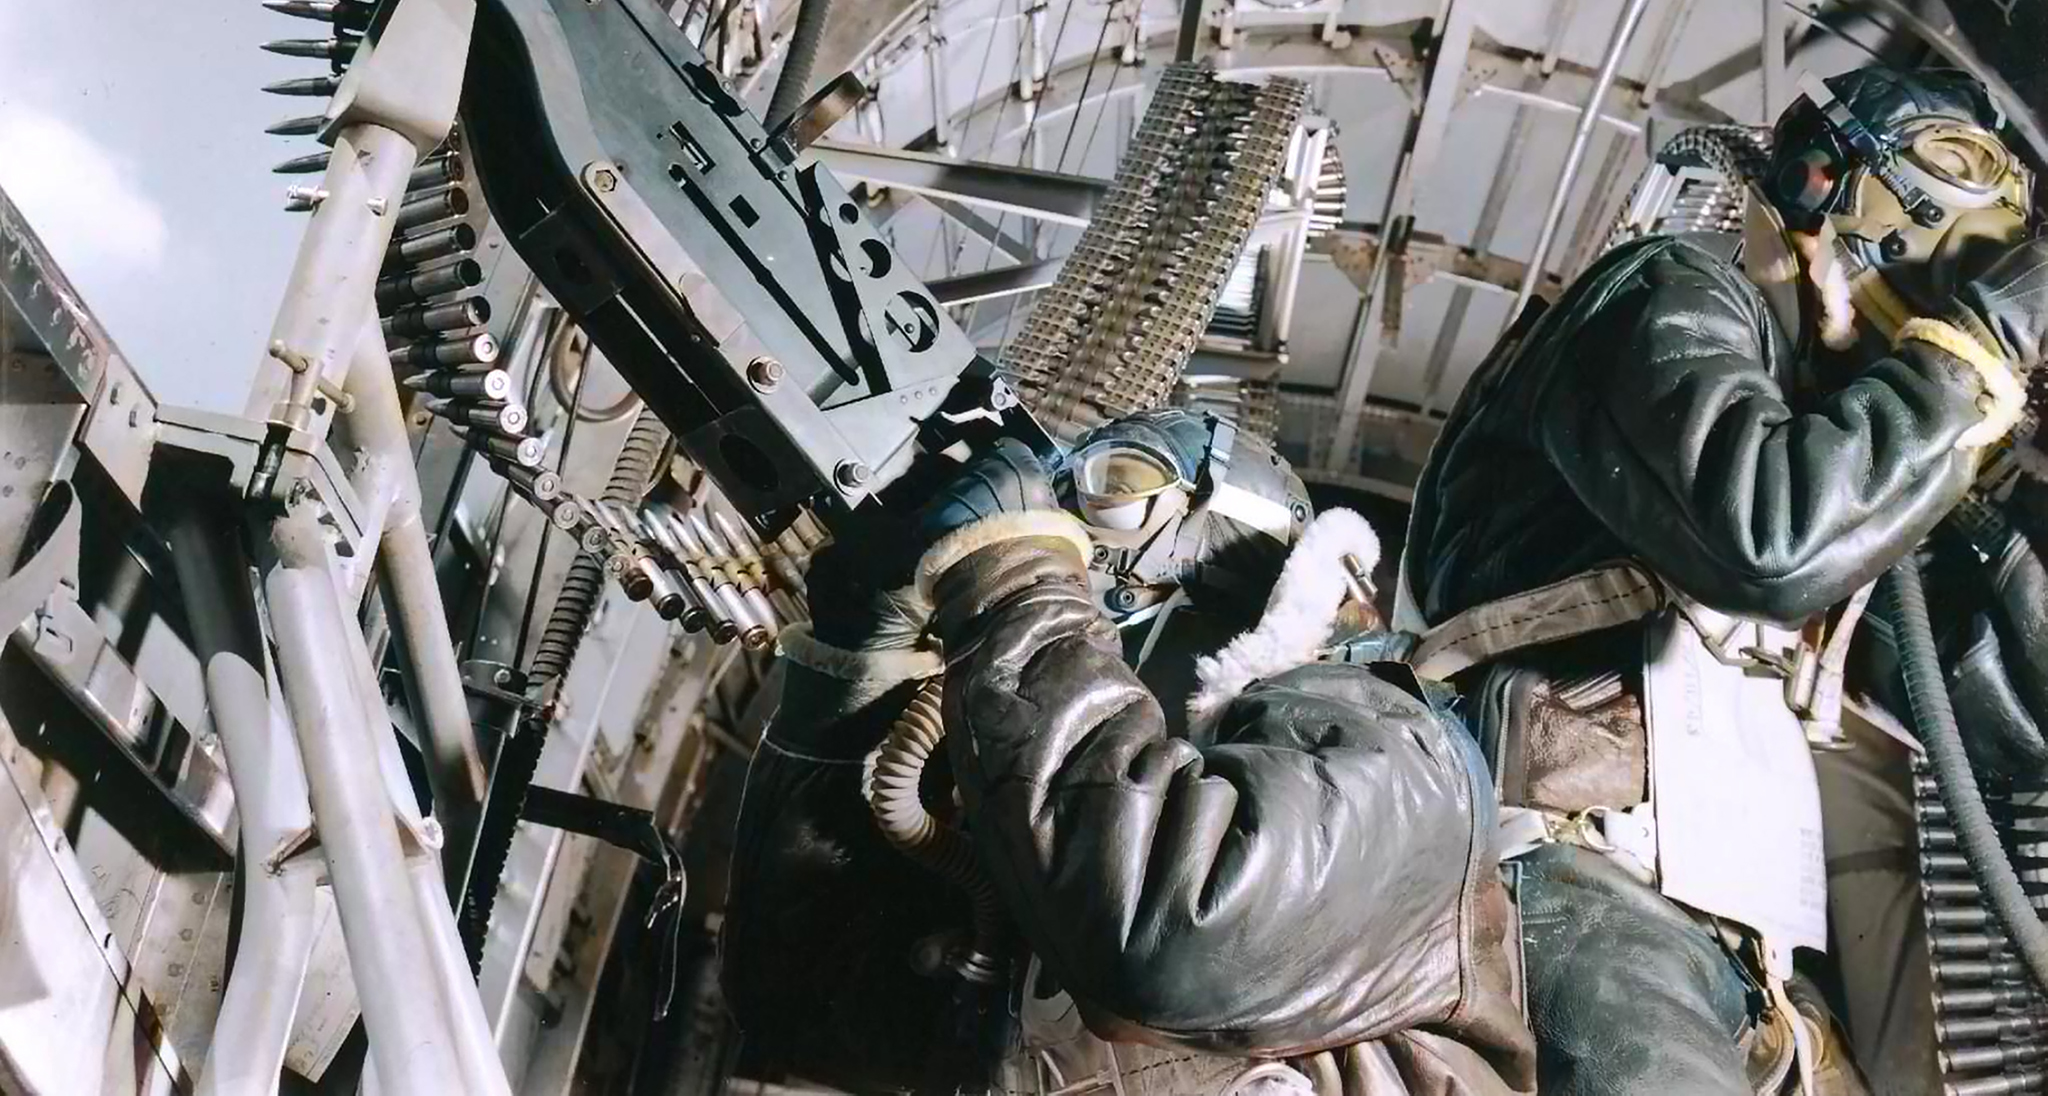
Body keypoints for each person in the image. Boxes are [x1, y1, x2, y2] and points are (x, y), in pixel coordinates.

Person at [1395, 65, 2048, 1094]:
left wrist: (1996, 487)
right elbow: (1764, 533)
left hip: (1750, 954)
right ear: (1816, 183)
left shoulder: (1848, 449)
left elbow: (2011, 719)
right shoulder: (1659, 293)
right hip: (1570, 885)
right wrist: (1969, 353)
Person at [722, 410, 1536, 1095]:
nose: (1094, 594)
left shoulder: (1408, 777)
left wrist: (1010, 576)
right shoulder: (1061, 905)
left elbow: (1179, 933)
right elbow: (800, 1004)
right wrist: (861, 672)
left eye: (1118, 504)